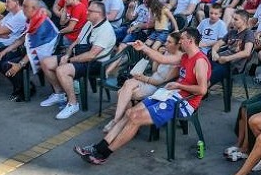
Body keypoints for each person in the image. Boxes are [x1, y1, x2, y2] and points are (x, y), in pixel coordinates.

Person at [73, 27, 209, 165]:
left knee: (135, 118)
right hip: (170, 95)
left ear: (190, 41)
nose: (180, 41)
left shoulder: (200, 61)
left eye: (182, 39)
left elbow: (202, 90)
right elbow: (161, 58)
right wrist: (143, 47)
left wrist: (179, 86)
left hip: (185, 103)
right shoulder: (185, 56)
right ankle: (98, 148)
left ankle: (103, 154)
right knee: (130, 112)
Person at [40, 0, 116, 120]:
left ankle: (73, 103)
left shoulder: (106, 30)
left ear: (99, 13)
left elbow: (91, 55)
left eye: (90, 11)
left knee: (62, 70)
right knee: (45, 62)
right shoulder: (90, 23)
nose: (87, 12)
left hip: (95, 63)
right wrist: (67, 54)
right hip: (80, 55)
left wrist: (70, 61)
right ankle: (59, 94)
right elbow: (77, 41)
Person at [102, 31, 183, 134]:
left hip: (159, 87)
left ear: (177, 45)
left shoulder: (179, 60)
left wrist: (143, 78)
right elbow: (155, 71)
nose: (165, 44)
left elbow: (162, 81)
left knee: (122, 92)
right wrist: (158, 56)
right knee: (127, 85)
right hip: (150, 81)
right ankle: (120, 122)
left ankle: (120, 122)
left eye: (169, 42)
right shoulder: (167, 52)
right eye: (166, 41)